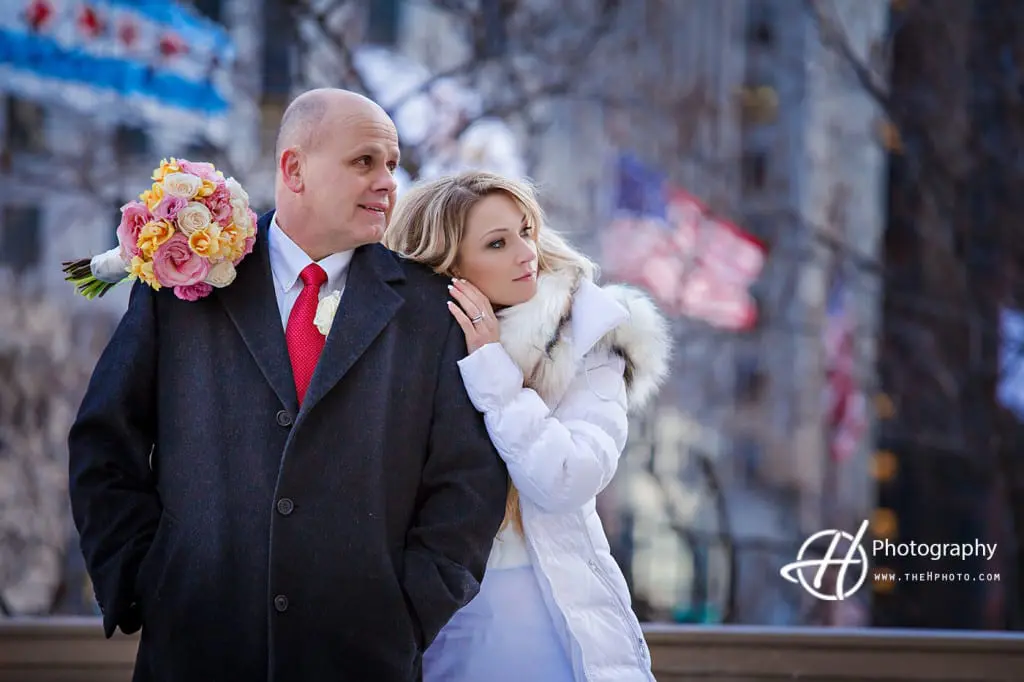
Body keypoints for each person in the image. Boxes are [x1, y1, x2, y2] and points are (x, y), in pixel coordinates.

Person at [67, 89, 509, 682]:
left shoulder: (430, 310)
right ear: (294, 168)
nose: (387, 183)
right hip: (193, 651)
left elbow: (468, 481)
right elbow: (105, 441)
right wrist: (147, 580)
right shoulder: (180, 284)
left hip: (363, 658)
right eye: (363, 162)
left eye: (392, 166)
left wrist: (408, 611)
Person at [382, 171, 671, 682]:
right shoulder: (400, 352)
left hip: (543, 605)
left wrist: (495, 370)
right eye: (498, 243)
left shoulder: (588, 335)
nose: (525, 252)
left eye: (525, 230)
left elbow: (568, 477)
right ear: (447, 268)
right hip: (431, 617)